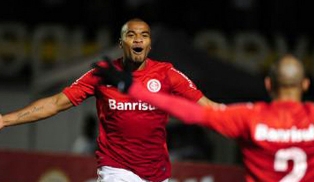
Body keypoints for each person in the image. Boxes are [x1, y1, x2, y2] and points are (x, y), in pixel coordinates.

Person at [0, 18, 215, 182]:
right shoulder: (103, 74)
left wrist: (246, 118)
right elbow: (56, 103)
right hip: (115, 168)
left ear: (150, 44)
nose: (138, 39)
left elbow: (209, 109)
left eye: (144, 35)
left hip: (157, 171)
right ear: (121, 43)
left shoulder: (167, 73)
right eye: (131, 35)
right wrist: (5, 120)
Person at [97, 54, 314, 182]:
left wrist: (132, 88)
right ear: (305, 85)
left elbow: (189, 112)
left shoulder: (248, 116)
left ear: (268, 84)